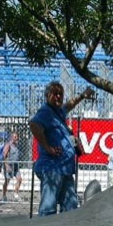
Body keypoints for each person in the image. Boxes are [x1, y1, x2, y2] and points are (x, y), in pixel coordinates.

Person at [29, 81, 95, 216]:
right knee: (48, 208)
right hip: (53, 168)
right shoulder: (45, 112)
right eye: (55, 94)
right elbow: (34, 125)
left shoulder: (57, 112)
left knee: (70, 206)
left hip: (64, 168)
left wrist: (82, 96)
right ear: (47, 95)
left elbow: (69, 105)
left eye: (60, 94)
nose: (58, 96)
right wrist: (48, 148)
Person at [1, 132, 23, 202]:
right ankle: (4, 196)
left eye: (17, 137)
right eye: (15, 137)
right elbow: (4, 155)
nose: (17, 138)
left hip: (16, 166)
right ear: (12, 138)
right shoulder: (8, 145)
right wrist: (6, 165)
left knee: (19, 179)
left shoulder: (16, 146)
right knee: (7, 181)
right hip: (9, 165)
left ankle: (16, 194)